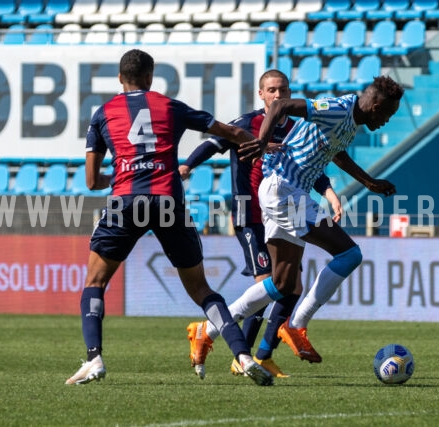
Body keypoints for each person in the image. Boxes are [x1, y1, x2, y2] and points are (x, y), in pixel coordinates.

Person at [64, 49, 273, 386]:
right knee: (202, 290)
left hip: (125, 201)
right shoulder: (169, 106)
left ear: (120, 78)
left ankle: (94, 358)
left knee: (95, 282)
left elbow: (91, 181)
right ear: (150, 77)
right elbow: (226, 130)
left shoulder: (103, 114)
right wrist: (260, 143)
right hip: (167, 200)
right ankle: (242, 355)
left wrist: (116, 178)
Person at [190, 76, 403, 373]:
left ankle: (207, 331)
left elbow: (336, 153)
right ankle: (296, 324)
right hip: (285, 191)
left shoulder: (349, 121)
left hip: (286, 192)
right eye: (387, 115)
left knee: (282, 284)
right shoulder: (339, 108)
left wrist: (370, 182)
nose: (386, 121)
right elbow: (279, 105)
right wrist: (262, 142)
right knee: (349, 254)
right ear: (376, 106)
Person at [181, 70, 342, 379]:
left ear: (290, 91)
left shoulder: (298, 128)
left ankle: (263, 354)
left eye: (282, 89)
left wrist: (330, 193)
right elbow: (214, 145)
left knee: (292, 286)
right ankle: (230, 346)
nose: (277, 95)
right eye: (271, 90)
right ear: (261, 94)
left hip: (287, 211)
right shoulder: (246, 124)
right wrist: (188, 164)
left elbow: (312, 169)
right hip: (251, 213)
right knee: (267, 282)